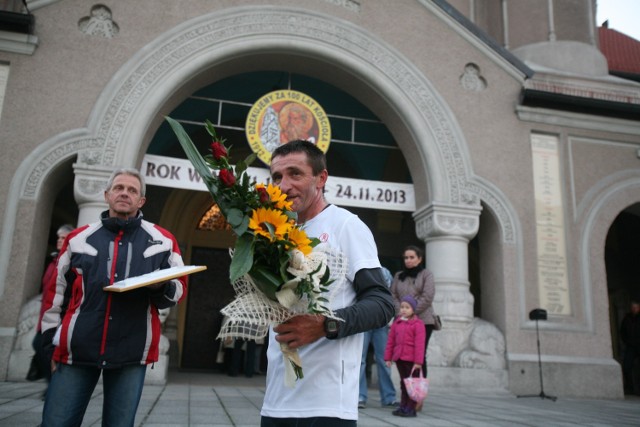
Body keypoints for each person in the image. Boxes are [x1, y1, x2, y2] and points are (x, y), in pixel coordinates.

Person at [261, 139, 395, 426]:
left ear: (321, 178)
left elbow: (382, 305)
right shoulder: (280, 233)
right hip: (276, 399)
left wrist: (325, 325)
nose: (283, 186)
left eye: (295, 174)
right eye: (277, 177)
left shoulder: (346, 226)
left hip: (326, 404)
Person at [39, 168, 188, 427]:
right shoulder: (77, 239)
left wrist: (159, 288)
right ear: (107, 195)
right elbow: (56, 294)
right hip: (77, 348)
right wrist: (50, 343)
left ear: (141, 201)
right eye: (119, 188)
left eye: (132, 190)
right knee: (57, 423)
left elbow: (178, 290)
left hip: (132, 350)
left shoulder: (163, 241)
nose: (124, 194)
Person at [30, 224, 75, 393]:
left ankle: (54, 385)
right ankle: (52, 383)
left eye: (64, 238)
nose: (60, 241)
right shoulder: (54, 261)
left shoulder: (70, 262)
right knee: (39, 345)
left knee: (46, 348)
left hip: (60, 317)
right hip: (46, 316)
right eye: (59, 237)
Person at [390, 245, 436, 370]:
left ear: (419, 259)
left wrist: (409, 311)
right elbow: (393, 295)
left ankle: (418, 388)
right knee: (403, 353)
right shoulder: (399, 275)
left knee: (419, 354)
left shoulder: (426, 274)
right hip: (402, 321)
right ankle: (405, 387)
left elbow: (427, 296)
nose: (408, 260)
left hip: (423, 320)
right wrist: (402, 312)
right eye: (406, 258)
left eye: (412, 257)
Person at [358, 266, 397, 408]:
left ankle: (389, 397)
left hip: (382, 320)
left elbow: (390, 295)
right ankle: (359, 396)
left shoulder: (385, 272)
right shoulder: (359, 268)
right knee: (360, 360)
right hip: (362, 319)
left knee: (384, 359)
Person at [384, 295, 426, 418]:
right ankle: (403, 405)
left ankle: (411, 408)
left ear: (413, 309)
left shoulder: (418, 324)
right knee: (403, 383)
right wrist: (388, 358)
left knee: (411, 384)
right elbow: (391, 341)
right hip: (400, 358)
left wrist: (418, 361)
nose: (404, 310)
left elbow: (420, 344)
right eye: (402, 307)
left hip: (412, 361)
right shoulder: (397, 323)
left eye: (407, 307)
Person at [620, 300, 640, 395]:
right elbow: (622, 331)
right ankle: (630, 387)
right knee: (627, 366)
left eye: (636, 307)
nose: (634, 309)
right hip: (631, 345)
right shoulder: (627, 318)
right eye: (632, 307)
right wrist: (626, 341)